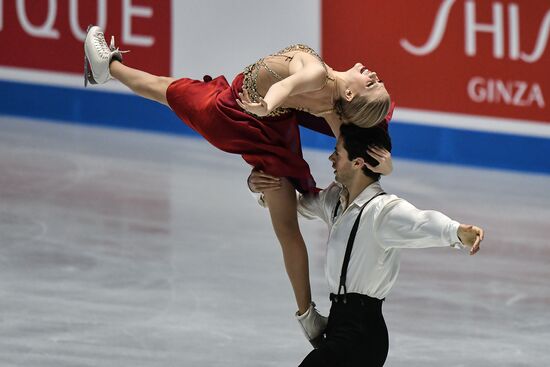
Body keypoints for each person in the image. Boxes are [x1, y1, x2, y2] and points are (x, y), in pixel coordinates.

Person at [83, 25, 393, 336]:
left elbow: (289, 88)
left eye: (372, 82)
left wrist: (268, 104)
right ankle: (107, 67)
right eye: (376, 80)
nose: (374, 74)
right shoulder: (330, 94)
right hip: (265, 116)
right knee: (166, 88)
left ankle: (307, 317)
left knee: (167, 90)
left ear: (351, 93)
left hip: (232, 115)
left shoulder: (320, 81)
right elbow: (294, 90)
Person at [248, 123, 484, 366]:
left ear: (358, 162)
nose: (331, 158)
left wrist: (456, 232)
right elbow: (293, 204)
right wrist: (260, 189)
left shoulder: (383, 211)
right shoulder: (334, 200)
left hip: (363, 335)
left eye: (337, 153)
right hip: (339, 326)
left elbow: (421, 221)